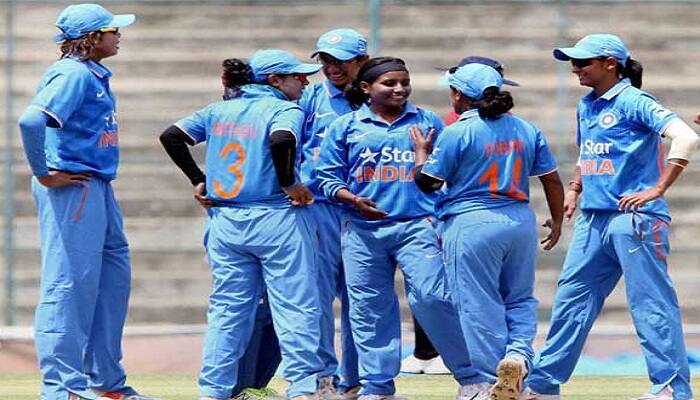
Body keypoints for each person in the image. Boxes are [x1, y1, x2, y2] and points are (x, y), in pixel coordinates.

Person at [526, 34, 700, 400]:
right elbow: (589, 151)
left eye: (583, 62)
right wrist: (575, 187)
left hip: (634, 216)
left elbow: (684, 137)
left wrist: (658, 189)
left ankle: (670, 388)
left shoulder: (634, 100)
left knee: (650, 302)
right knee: (572, 299)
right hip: (594, 218)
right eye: (573, 62)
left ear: (611, 64)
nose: (575, 69)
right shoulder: (587, 104)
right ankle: (542, 385)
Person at [159, 49, 325, 400]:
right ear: (274, 80)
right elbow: (282, 139)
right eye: (297, 76)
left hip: (226, 221)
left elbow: (171, 136)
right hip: (275, 217)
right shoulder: (283, 108)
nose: (305, 81)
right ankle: (303, 389)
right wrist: (289, 183)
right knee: (294, 305)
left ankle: (213, 391)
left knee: (227, 310)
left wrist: (197, 178)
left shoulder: (218, 110)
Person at [316, 56, 480, 400]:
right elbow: (327, 177)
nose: (399, 89)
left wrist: (441, 219)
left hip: (416, 227)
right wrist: (351, 198)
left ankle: (471, 379)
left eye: (404, 82)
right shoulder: (346, 126)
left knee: (434, 298)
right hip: (362, 231)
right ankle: (378, 388)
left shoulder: (427, 121)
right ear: (366, 88)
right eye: (389, 83)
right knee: (369, 310)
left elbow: (446, 175)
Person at [16, 4, 158, 400]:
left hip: (97, 186)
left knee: (112, 283)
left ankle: (106, 384)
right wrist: (44, 172)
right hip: (72, 187)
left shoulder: (92, 73)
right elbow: (30, 120)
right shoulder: (73, 73)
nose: (119, 35)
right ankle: (62, 389)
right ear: (92, 37)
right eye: (112, 29)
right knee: (69, 285)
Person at [411, 63, 564, 400]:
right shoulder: (525, 128)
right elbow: (551, 179)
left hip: (471, 222)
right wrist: (557, 221)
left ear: (458, 95)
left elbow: (426, 183)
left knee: (478, 303)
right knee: (520, 297)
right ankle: (518, 357)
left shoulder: (457, 131)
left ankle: (486, 379)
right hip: (519, 221)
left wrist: (421, 153)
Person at [401, 55, 522, 377]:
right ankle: (503, 355)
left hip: (462, 218)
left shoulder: (460, 124)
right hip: (500, 216)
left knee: (463, 291)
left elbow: (430, 179)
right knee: (492, 292)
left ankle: (476, 364)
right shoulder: (511, 123)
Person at [298, 28, 369, 399]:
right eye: (325, 60)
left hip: (362, 212)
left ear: (361, 62)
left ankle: (357, 380)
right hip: (320, 209)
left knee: (362, 298)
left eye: (340, 61)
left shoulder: (375, 96)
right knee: (319, 298)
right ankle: (323, 377)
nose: (331, 68)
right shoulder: (311, 97)